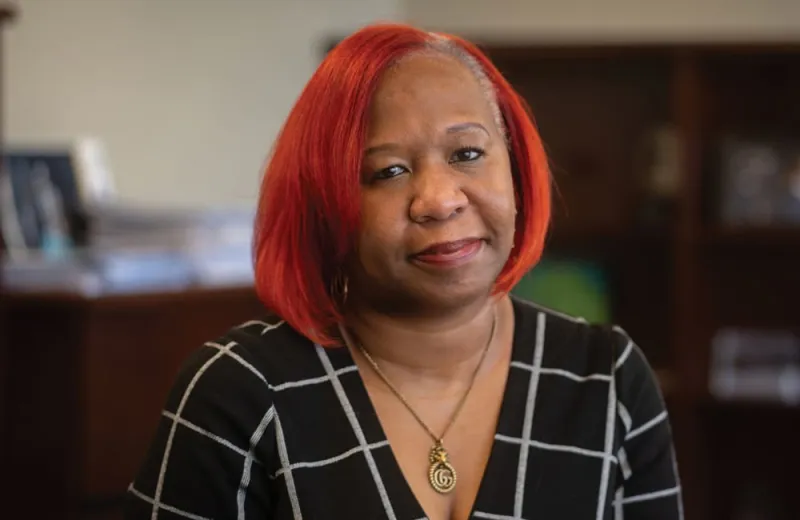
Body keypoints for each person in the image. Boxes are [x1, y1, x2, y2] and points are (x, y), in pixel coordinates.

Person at [124, 23, 682, 520]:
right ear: (326, 202)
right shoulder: (239, 390)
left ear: (514, 167)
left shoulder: (608, 379)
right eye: (388, 171)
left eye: (467, 154)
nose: (438, 200)